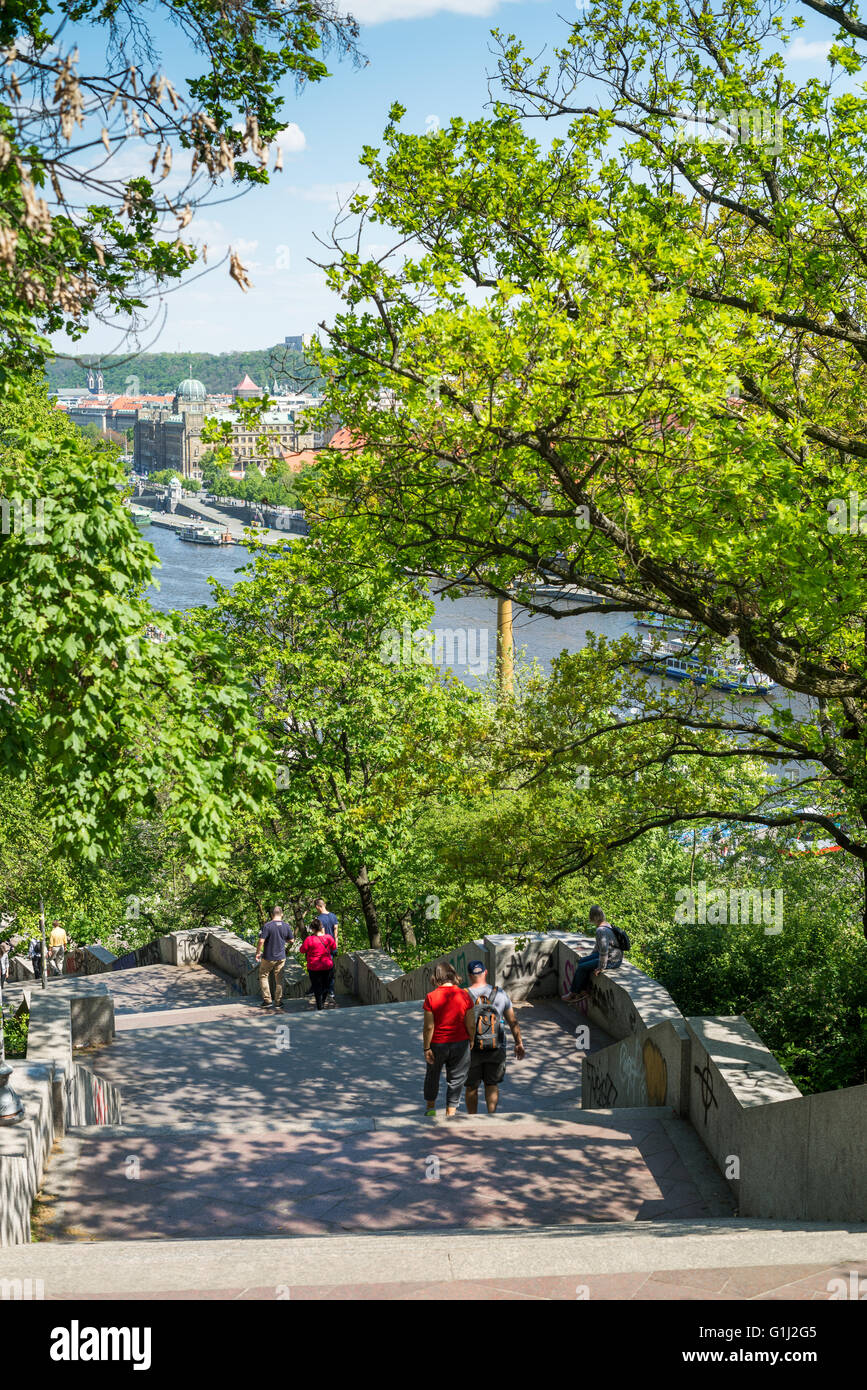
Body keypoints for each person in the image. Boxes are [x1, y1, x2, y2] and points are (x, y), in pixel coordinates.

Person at [464, 961, 525, 1115]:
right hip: (496, 1046)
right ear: (485, 972)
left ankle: (472, 1117)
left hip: (471, 1049)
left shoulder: (463, 995)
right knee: (491, 1084)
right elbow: (513, 1021)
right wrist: (519, 1043)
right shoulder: (500, 993)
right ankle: (492, 1116)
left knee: (471, 1086)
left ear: (470, 976)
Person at [422, 962, 475, 1118]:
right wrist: (471, 1040)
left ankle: (430, 1110)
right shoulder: (465, 995)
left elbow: (428, 1027)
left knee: (432, 1076)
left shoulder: (431, 997)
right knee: (456, 1079)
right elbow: (471, 1024)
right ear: (453, 975)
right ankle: (450, 1114)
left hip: (437, 1044)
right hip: (460, 1043)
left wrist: (426, 1048)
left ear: (436, 976)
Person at [564, 905, 623, 1001]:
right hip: (614, 956)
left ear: (594, 917)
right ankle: (582, 991)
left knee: (582, 967)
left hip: (612, 960)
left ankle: (573, 993)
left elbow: (604, 950)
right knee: (582, 962)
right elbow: (598, 946)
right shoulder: (606, 925)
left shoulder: (600, 930)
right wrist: (590, 958)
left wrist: (601, 967)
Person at [254, 906, 294, 1010]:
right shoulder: (286, 926)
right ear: (282, 914)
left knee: (263, 975)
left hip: (268, 956)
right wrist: (283, 939)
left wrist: (258, 952)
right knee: (279, 979)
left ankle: (267, 1000)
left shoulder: (267, 926)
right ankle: (278, 1001)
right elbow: (292, 940)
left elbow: (261, 941)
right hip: (281, 957)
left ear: (272, 914)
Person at [299, 916, 337, 1011]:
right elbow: (334, 947)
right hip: (327, 966)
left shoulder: (309, 939)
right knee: (326, 986)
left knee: (316, 986)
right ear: (321, 927)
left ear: (312, 929)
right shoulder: (328, 938)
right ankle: (323, 1002)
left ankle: (319, 1006)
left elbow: (302, 950)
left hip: (314, 967)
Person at [313, 896, 339, 1007]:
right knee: (330, 971)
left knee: (323, 972)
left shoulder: (319, 919)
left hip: (324, 949)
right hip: (332, 947)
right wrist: (335, 946)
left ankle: (325, 993)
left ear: (318, 907)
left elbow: (322, 933)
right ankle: (331, 992)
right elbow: (336, 931)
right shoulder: (333, 916)